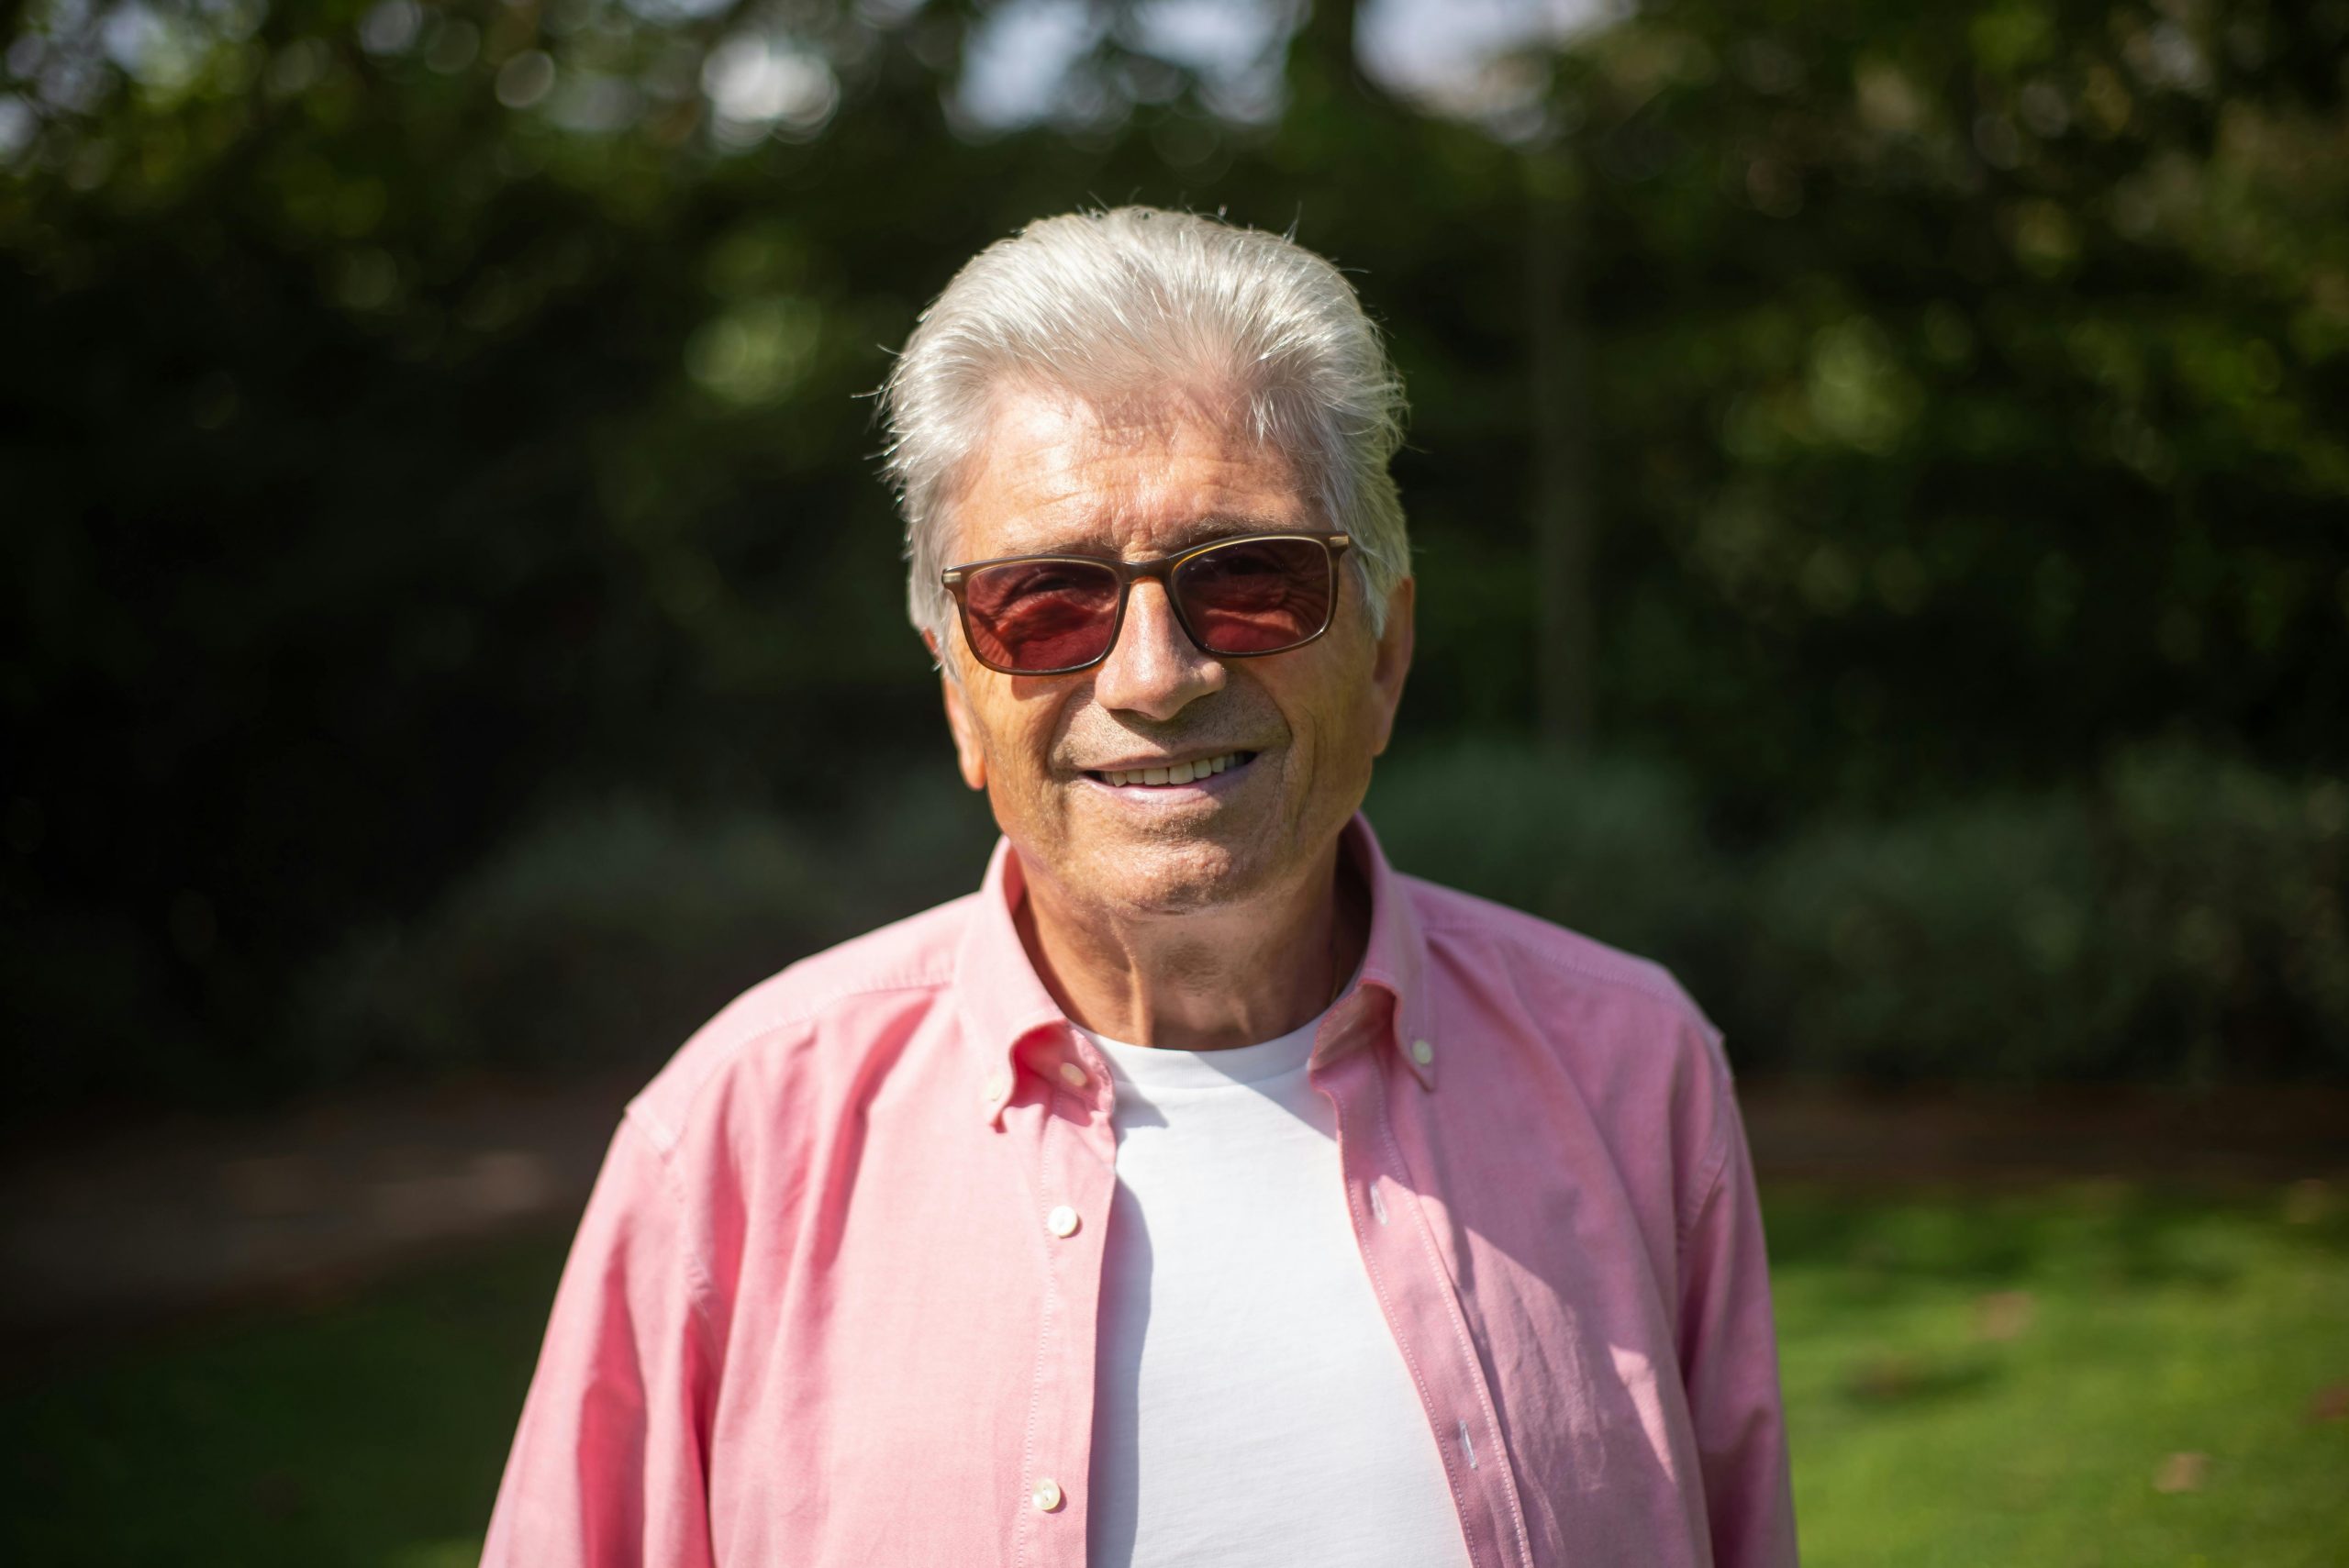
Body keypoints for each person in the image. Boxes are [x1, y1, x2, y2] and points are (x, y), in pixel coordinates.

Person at [482, 206, 1798, 1568]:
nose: (1156, 673)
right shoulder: (736, 1130)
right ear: (959, 696)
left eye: (1250, 579)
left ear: (1388, 653)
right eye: (1045, 601)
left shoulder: (1634, 1070)